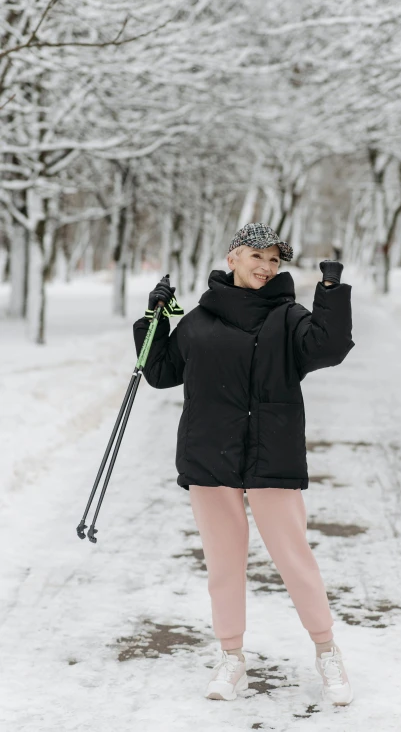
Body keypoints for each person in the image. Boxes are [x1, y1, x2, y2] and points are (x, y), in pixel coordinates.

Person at [133, 222, 355, 706]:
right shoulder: (198, 320)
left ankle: (326, 650)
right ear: (232, 257)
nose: (267, 267)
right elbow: (160, 371)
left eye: (275, 261)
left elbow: (330, 347)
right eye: (258, 256)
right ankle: (231, 657)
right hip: (210, 455)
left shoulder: (289, 317)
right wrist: (154, 318)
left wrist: (332, 293)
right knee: (224, 565)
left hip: (271, 454)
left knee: (294, 558)